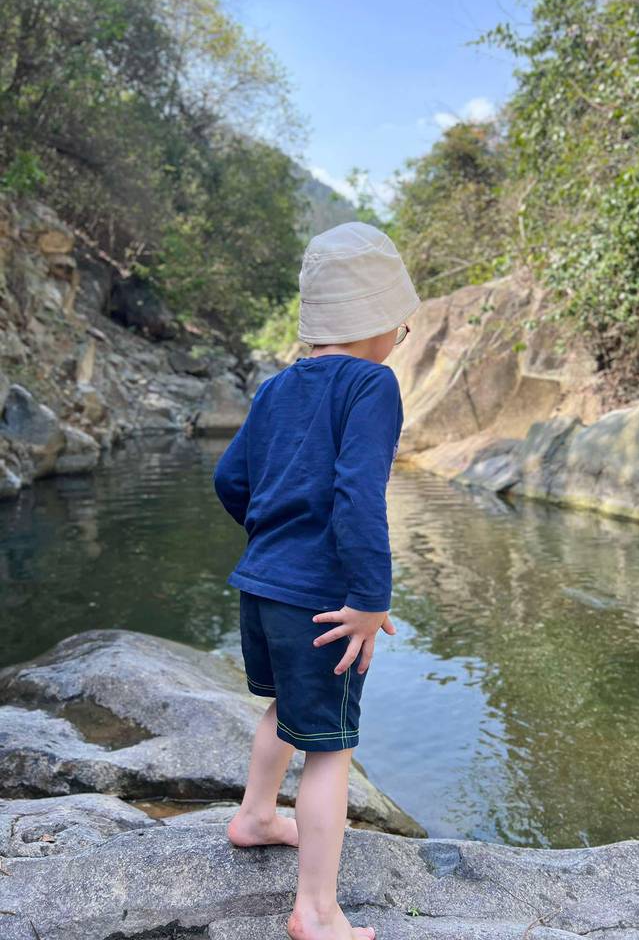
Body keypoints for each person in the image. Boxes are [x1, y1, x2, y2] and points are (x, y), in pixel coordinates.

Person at [212, 220, 420, 940]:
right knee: (331, 747)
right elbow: (358, 495)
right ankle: (317, 911)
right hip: (322, 601)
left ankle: (257, 816)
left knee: (282, 709)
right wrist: (368, 599)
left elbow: (228, 478)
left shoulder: (276, 388)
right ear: (380, 322)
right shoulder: (372, 384)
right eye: (401, 323)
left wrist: (273, 541)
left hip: (262, 583)